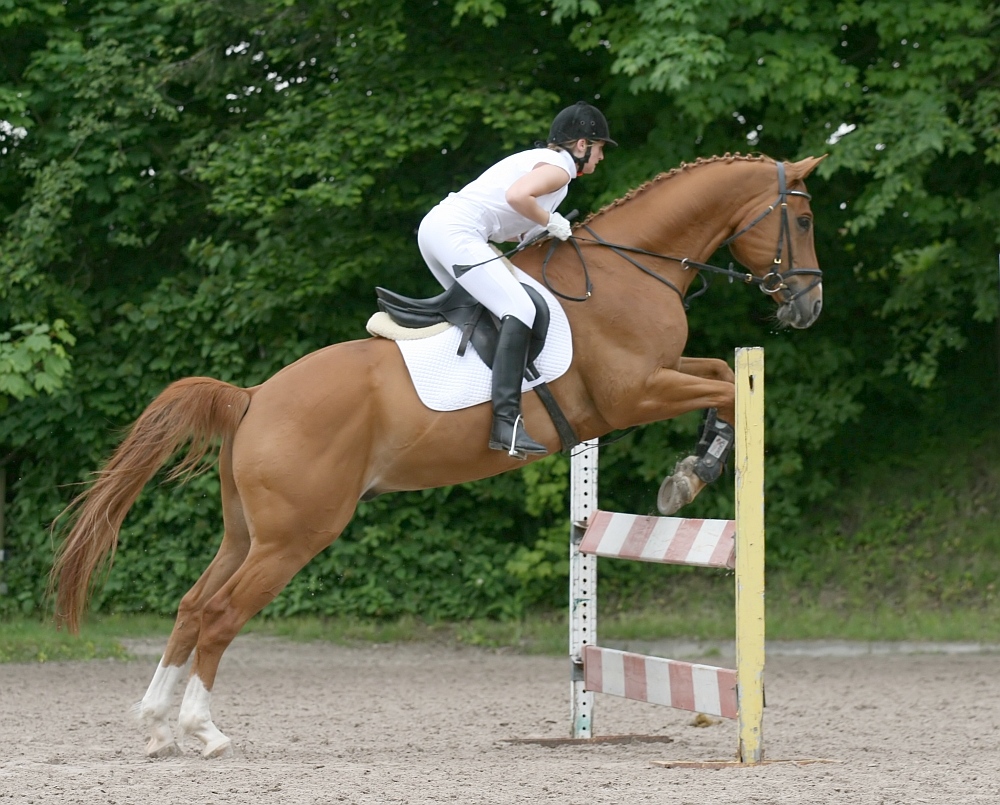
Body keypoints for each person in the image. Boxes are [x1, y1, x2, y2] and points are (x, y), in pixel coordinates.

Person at [417, 101, 616, 459]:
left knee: (488, 312)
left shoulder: (542, 165)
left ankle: (466, 396)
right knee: (519, 307)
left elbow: (516, 232)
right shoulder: (560, 169)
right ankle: (506, 423)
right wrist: (550, 220)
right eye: (600, 148)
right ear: (582, 145)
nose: (601, 157)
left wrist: (544, 226)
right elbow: (516, 197)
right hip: (457, 232)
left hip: (439, 230)